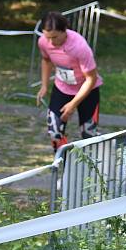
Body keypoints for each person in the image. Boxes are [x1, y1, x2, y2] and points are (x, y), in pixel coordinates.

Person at [35, 11, 103, 151]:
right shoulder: (43, 42)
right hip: (62, 88)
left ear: (64, 30)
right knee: (54, 132)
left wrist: (72, 104)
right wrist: (44, 85)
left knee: (88, 134)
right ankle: (64, 167)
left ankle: (93, 167)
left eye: (55, 37)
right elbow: (46, 60)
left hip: (87, 90)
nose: (51, 42)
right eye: (47, 37)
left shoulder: (80, 47)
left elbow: (91, 78)